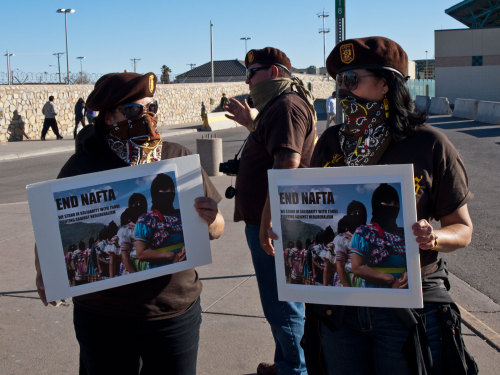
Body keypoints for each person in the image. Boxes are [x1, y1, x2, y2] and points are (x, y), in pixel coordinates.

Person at [295, 36, 477, 374]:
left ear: (385, 84)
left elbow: (463, 228)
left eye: (352, 80)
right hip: (342, 311)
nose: (342, 92)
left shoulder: (429, 144)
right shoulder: (331, 142)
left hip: (407, 307)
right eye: (338, 82)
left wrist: (434, 237)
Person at [34, 72, 225, 375]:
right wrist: (45, 271)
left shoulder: (178, 157)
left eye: (152, 107)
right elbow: (49, 226)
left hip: (174, 312)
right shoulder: (84, 165)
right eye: (134, 110)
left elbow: (217, 229)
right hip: (104, 316)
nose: (147, 117)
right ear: (109, 117)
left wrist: (212, 220)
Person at [225, 47, 317, 375]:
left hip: (276, 223)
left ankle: (295, 369)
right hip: (271, 220)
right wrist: (252, 123)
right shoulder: (278, 107)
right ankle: (287, 363)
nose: (247, 81)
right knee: (281, 299)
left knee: (282, 303)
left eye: (252, 73)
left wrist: (268, 220)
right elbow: (274, 149)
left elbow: (287, 164)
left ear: (274, 73)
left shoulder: (286, 106)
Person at [350, 183, 407, 289]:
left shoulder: (402, 234)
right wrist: (390, 279)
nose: (392, 207)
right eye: (387, 202)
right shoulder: (365, 232)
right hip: (375, 293)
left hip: (403, 292)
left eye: (395, 203)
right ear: (376, 204)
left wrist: (408, 274)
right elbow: (357, 267)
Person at [134, 173, 186, 268]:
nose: (170, 192)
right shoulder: (147, 219)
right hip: (159, 271)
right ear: (155, 193)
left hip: (184, 270)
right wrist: (170, 255)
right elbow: (141, 253)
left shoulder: (180, 215)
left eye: (172, 189)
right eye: (165, 189)